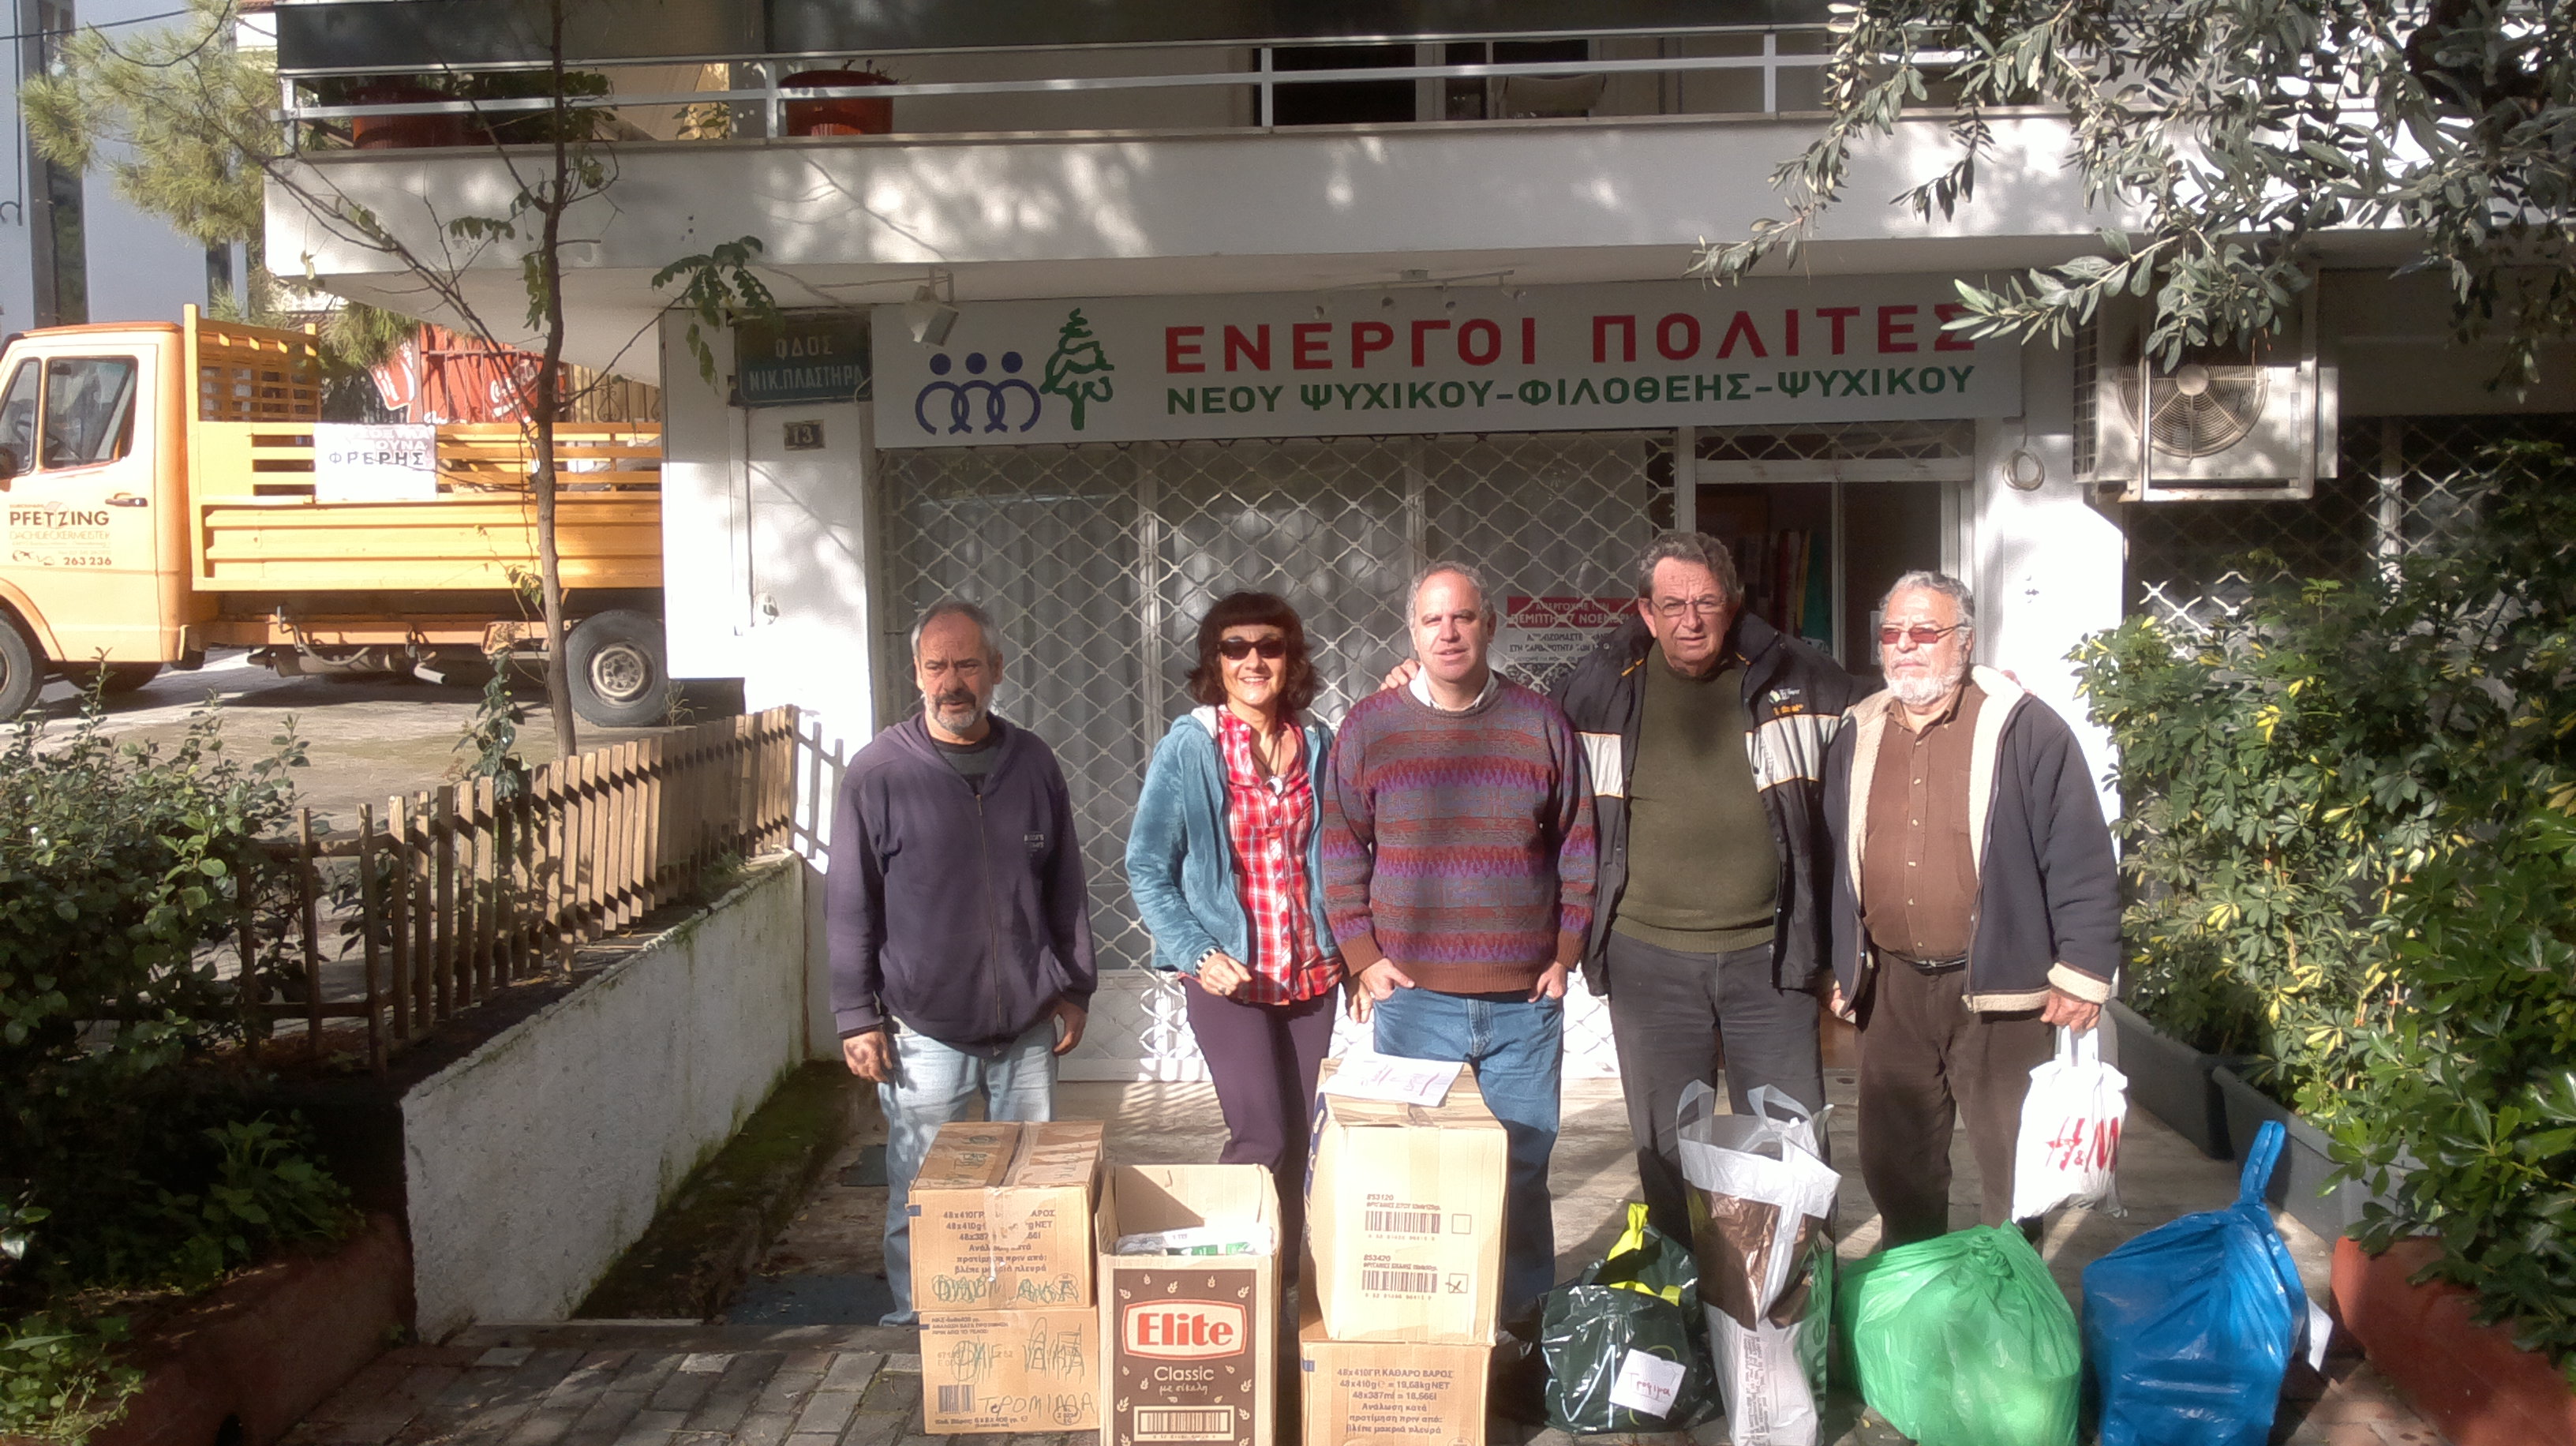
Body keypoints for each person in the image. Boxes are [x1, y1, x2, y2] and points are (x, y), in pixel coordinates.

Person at [1551, 531, 1863, 1244]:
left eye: (1706, 602)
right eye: (1672, 604)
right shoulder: (1598, 688)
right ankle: (1684, 1288)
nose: (1690, 620)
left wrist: (1981, 686)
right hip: (1647, 959)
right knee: (1667, 1151)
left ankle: (1793, 1297)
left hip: (1771, 958)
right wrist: (1415, 686)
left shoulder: (1800, 678)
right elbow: (1517, 740)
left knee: (1791, 1148)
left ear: (1734, 604)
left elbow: (1889, 718)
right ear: (1645, 611)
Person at [1323, 560, 1597, 1321]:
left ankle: (1521, 1330)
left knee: (1522, 1171)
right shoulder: (1370, 727)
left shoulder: (1540, 723)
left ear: (1489, 626)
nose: (1448, 632)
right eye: (1432, 620)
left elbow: (1579, 842)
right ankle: (1434, 1326)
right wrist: (1363, 957)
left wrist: (1566, 952)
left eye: (1463, 617)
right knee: (1420, 1176)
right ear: (1412, 633)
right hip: (1415, 1002)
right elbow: (1339, 845)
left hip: (1524, 1005)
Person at [1822, 571, 2119, 1246]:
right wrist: (1841, 960)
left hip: (2002, 989)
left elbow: (2079, 853)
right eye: (1892, 633)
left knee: (2013, 1168)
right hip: (1891, 986)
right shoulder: (1858, 731)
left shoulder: (2026, 728)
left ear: (1964, 640)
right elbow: (1833, 853)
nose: (1905, 646)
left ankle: (2006, 1291)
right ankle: (1917, 1280)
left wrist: (2083, 971)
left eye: (1924, 631)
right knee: (1896, 1163)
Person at [826, 598, 1096, 1325]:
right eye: (937, 666)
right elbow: (850, 903)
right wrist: (856, 1015)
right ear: (916, 673)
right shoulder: (878, 774)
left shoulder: (1032, 762)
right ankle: (921, 1325)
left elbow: (1065, 884)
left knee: (1032, 1191)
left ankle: (1025, 1324)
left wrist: (1074, 987)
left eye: (968, 665)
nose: (952, 682)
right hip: (924, 1028)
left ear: (997, 670)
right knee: (924, 1193)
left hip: (1028, 1027)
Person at [1125, 592, 1343, 1264]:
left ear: (1290, 658)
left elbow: (1342, 855)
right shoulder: (1190, 748)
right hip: (1230, 980)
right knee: (1260, 1138)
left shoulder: (1318, 744)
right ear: (1214, 662)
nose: (1253, 660)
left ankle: (1284, 1286)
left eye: (1269, 646)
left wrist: (1357, 953)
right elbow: (1147, 867)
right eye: (1235, 647)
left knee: (1299, 1141)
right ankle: (1232, 1278)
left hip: (1310, 976)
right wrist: (1197, 953)